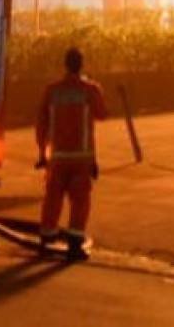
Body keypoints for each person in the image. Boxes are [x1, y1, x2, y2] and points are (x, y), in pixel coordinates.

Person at [34, 46, 107, 260]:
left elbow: (41, 124)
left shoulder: (52, 90)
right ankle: (75, 245)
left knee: (52, 198)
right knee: (80, 201)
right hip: (81, 158)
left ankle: (47, 239)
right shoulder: (90, 90)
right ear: (81, 65)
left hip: (57, 158)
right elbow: (102, 114)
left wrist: (41, 153)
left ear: (65, 65)